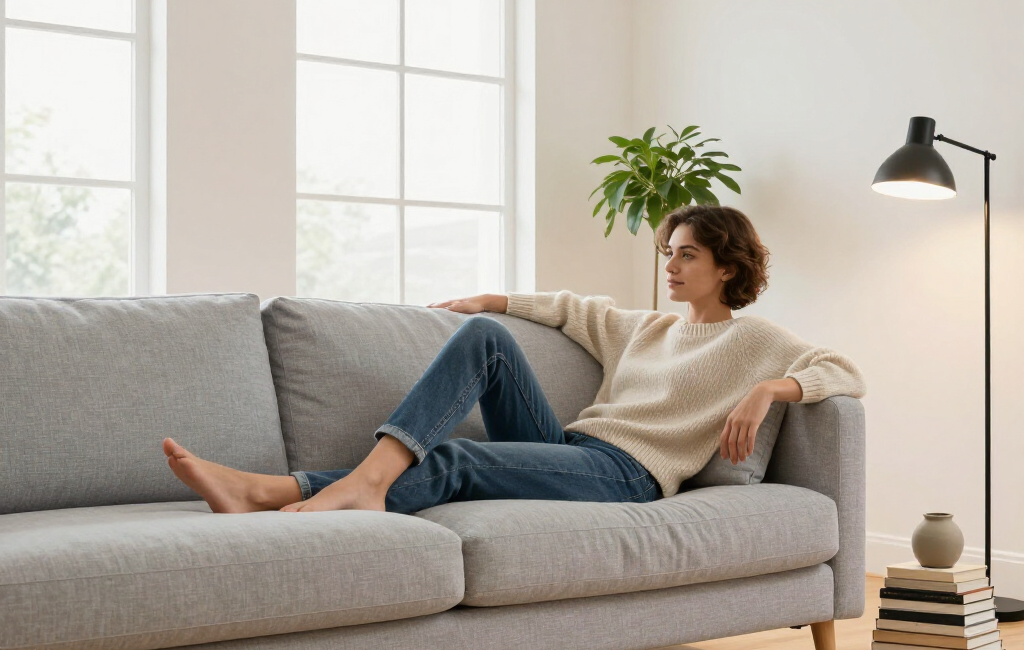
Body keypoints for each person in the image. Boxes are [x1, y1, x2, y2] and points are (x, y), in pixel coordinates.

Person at [163, 205, 865, 514]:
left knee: (454, 459)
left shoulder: (754, 340)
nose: (672, 265)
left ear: (726, 266)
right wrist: (487, 299)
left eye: (688, 254)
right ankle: (351, 487)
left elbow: (844, 369)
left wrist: (770, 389)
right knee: (485, 339)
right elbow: (567, 306)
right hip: (572, 448)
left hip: (628, 476)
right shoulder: (645, 327)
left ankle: (280, 490)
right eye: (669, 252)